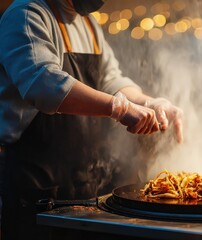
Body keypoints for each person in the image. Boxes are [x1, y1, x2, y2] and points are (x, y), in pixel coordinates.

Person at [0, 0, 183, 239]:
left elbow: (111, 79)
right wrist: (116, 108)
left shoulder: (89, 23)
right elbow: (43, 85)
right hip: (36, 186)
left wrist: (148, 102)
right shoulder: (27, 14)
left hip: (83, 184)